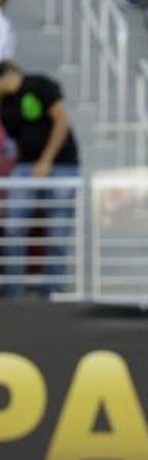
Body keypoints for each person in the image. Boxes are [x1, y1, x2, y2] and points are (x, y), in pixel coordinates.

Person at [0, 61, 80, 297]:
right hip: (25, 166)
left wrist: (46, 161)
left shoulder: (40, 85)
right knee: (14, 228)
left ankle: (52, 292)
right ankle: (13, 293)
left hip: (62, 165)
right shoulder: (4, 105)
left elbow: (61, 122)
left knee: (58, 232)